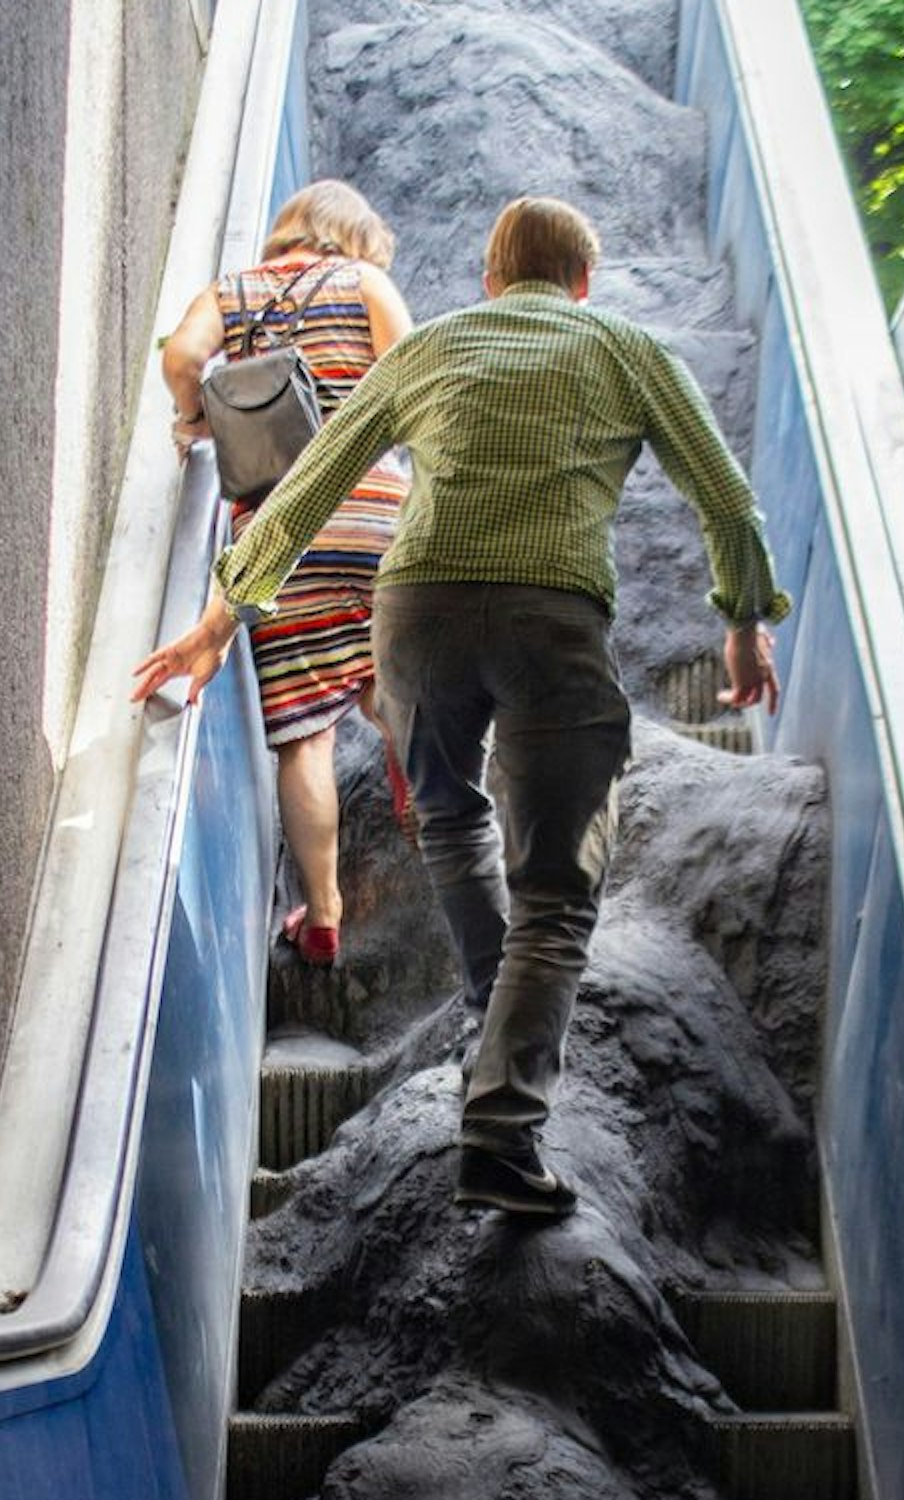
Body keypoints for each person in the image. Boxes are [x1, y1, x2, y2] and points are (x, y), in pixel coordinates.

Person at [133, 196, 789, 1218]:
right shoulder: (622, 345)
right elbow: (728, 500)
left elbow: (305, 482)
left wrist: (221, 621)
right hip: (547, 617)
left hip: (417, 615)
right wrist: (744, 623)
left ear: (488, 280)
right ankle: (501, 1128)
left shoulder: (435, 345)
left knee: (447, 814)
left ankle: (493, 1007)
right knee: (558, 893)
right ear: (582, 284)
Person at [153, 179, 416, 966]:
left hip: (279, 526)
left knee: (306, 738)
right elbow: (415, 380)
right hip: (376, 509)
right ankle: (410, 749)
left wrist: (195, 417)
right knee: (383, 676)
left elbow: (182, 358)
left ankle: (325, 915)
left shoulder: (230, 292)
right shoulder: (365, 282)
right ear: (353, 237)